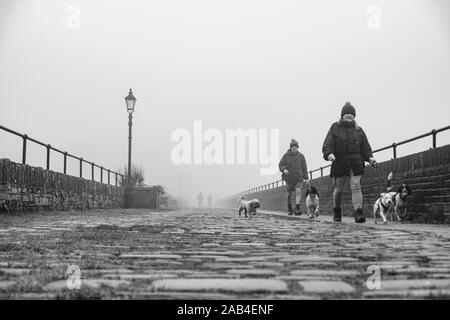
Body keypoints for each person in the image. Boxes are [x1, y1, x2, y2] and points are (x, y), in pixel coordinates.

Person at [322, 102, 376, 223]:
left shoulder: (359, 130)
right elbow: (328, 144)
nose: (349, 115)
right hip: (339, 161)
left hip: (356, 162)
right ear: (342, 115)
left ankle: (358, 212)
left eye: (352, 113)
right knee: (339, 189)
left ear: (354, 116)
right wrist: (329, 154)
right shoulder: (335, 127)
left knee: (356, 186)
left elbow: (365, 148)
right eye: (347, 113)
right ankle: (337, 211)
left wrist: (370, 158)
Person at [279, 139, 309, 215]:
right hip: (289, 178)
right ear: (290, 147)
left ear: (297, 147)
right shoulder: (286, 155)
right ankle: (290, 209)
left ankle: (297, 209)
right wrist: (283, 169)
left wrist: (306, 178)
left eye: (295, 146)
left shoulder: (301, 156)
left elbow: (304, 167)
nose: (294, 148)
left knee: (298, 190)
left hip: (299, 177)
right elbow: (280, 164)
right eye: (292, 146)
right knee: (289, 194)